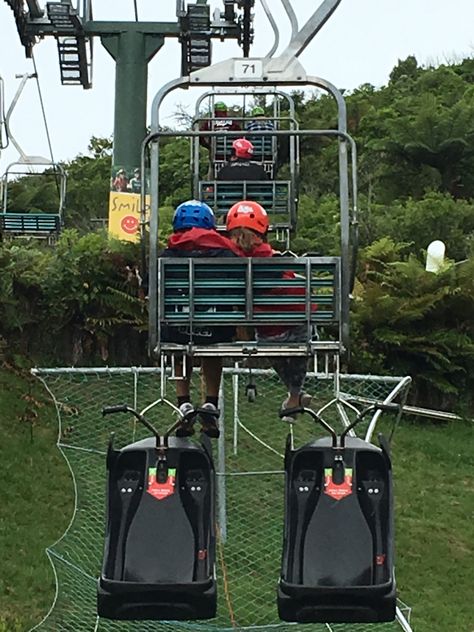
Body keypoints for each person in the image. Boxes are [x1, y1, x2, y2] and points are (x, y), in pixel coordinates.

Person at [162, 200, 243, 438]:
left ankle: (184, 403)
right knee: (213, 347)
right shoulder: (226, 253)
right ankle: (210, 402)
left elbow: (151, 288)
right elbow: (241, 287)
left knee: (179, 345)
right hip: (214, 330)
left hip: (178, 328)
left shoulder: (168, 254)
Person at [225, 200, 313, 417]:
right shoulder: (274, 258)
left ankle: (294, 397)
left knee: (272, 346)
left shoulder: (229, 259)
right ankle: (295, 395)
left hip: (267, 333)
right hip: (296, 326)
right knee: (303, 342)